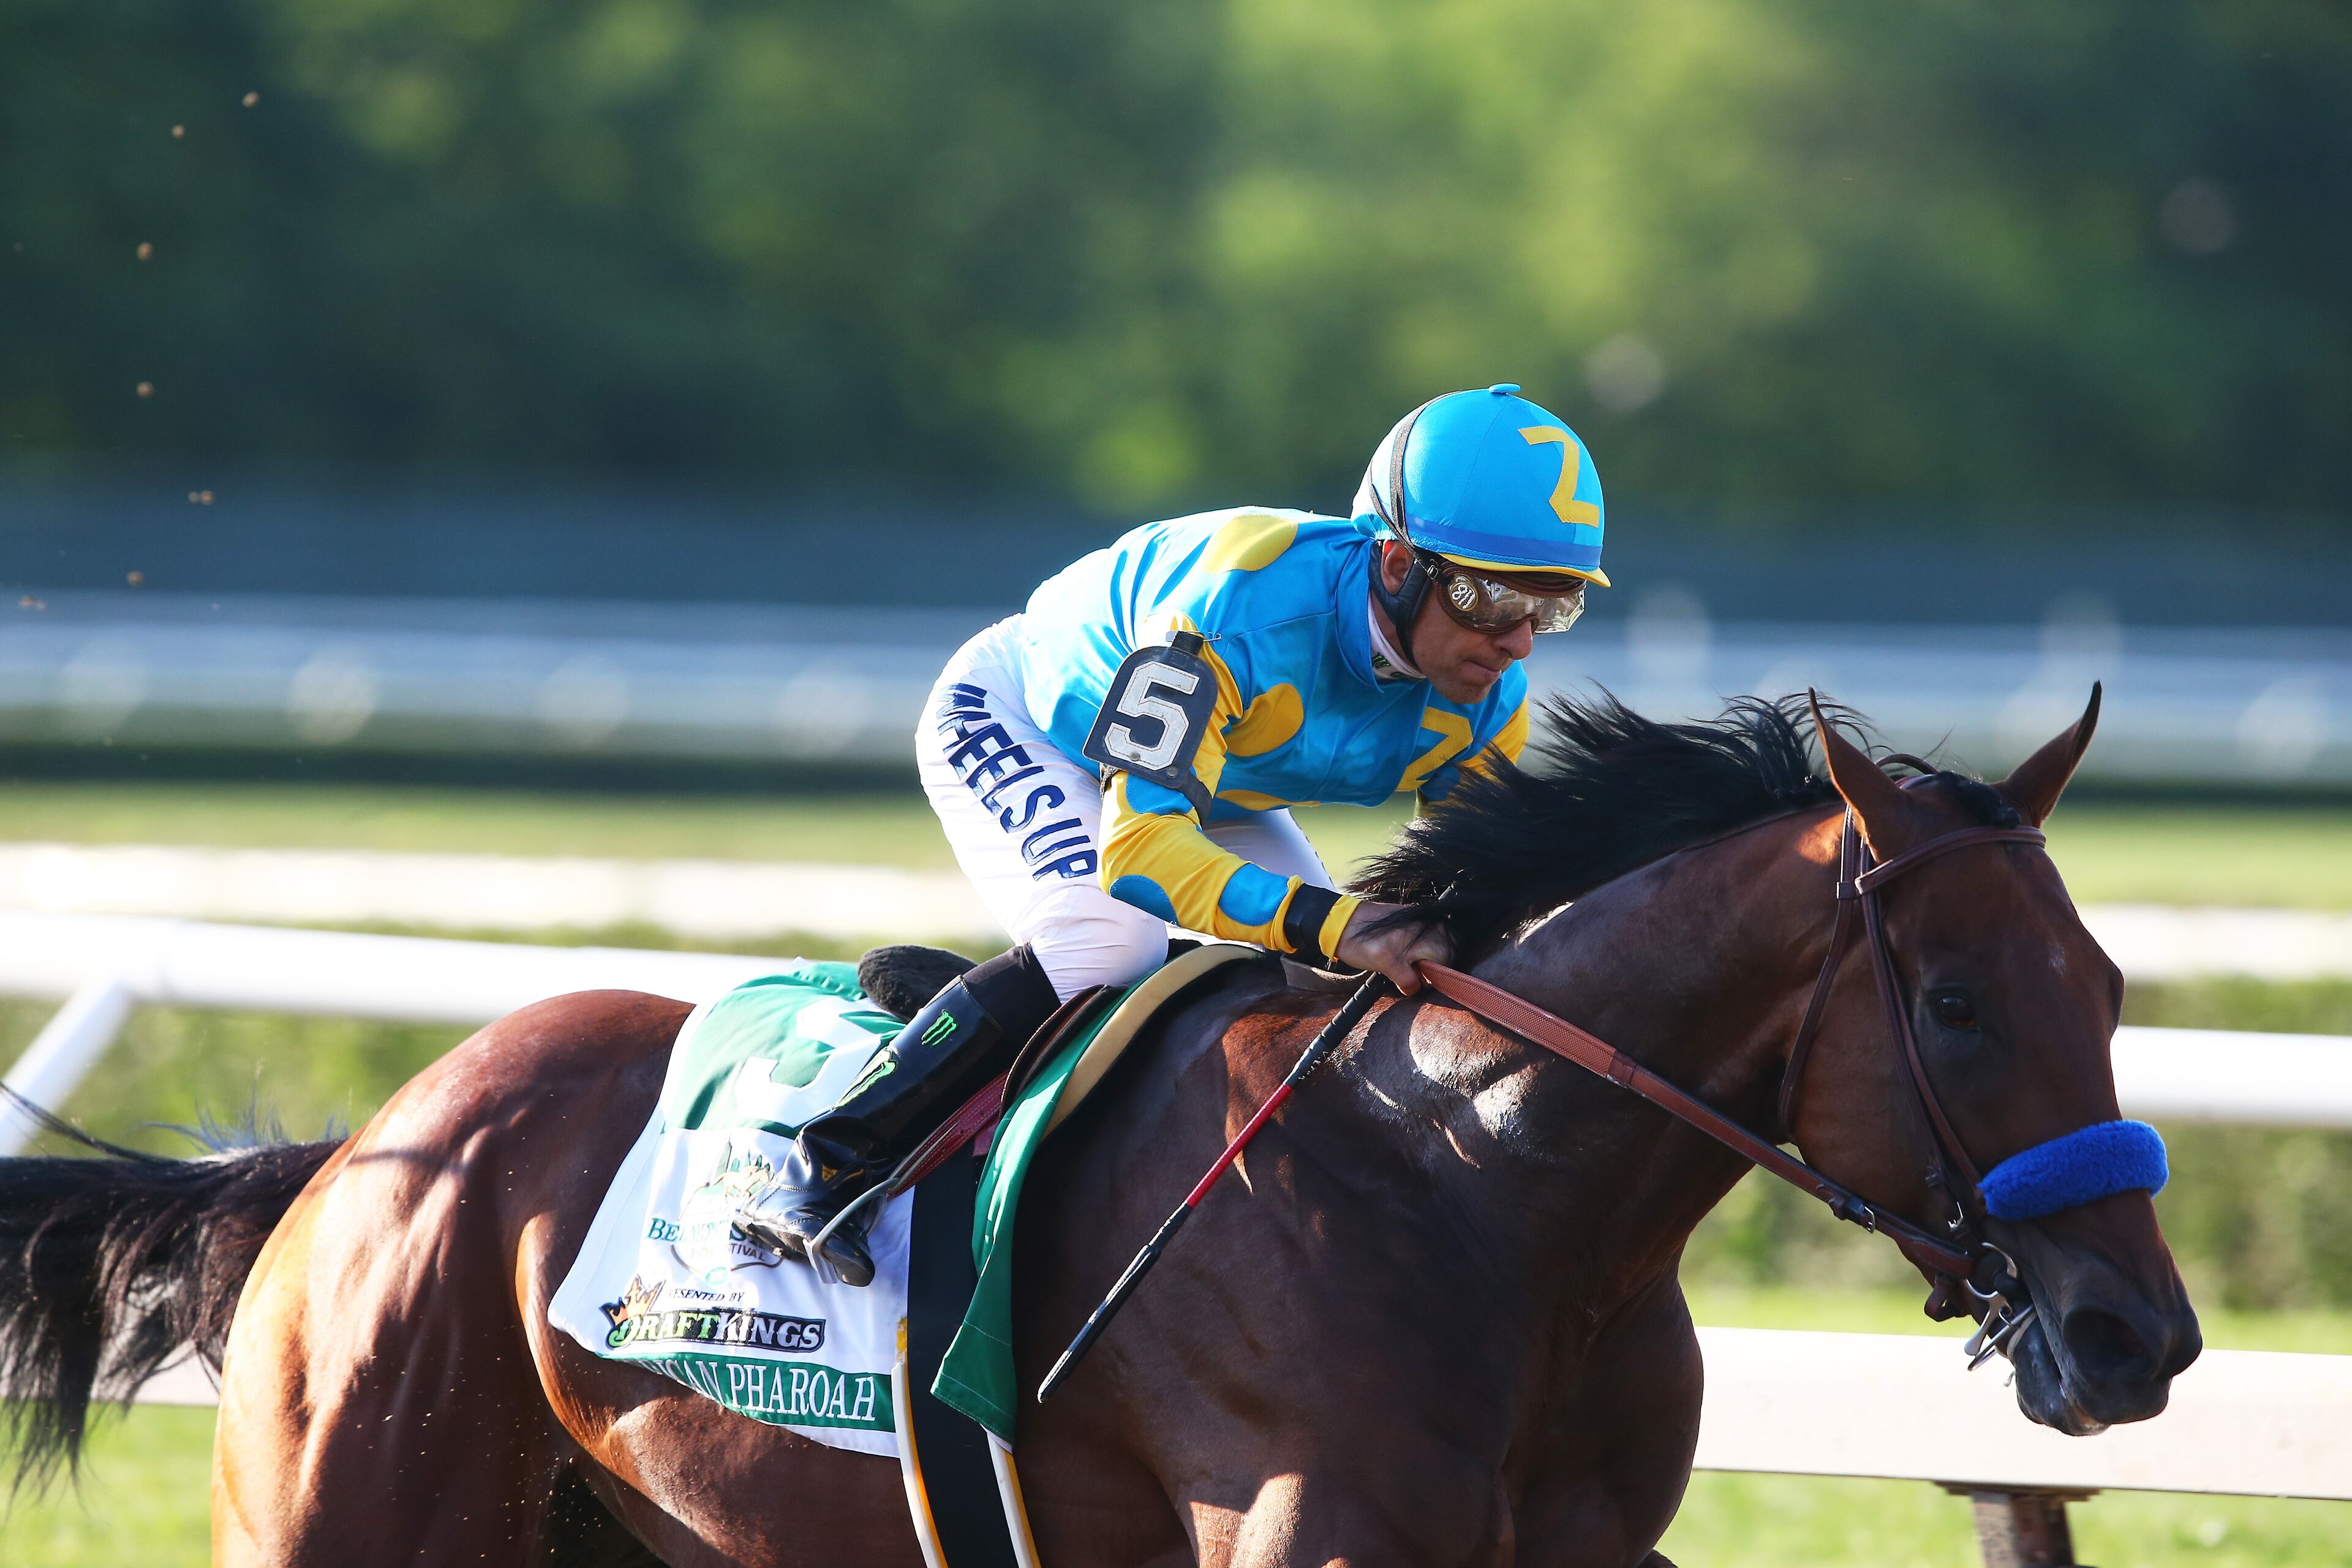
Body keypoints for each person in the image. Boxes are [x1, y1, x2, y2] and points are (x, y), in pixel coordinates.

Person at [737, 383, 1611, 1282]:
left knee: (1312, 986)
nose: (1518, 644)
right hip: (1026, 718)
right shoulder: (1233, 610)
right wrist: (1345, 921)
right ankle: (827, 1159)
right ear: (1395, 564)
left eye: (1552, 608)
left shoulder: (1487, 696)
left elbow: (1470, 897)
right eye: (1487, 597)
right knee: (1109, 939)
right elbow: (1140, 853)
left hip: (1210, 771)